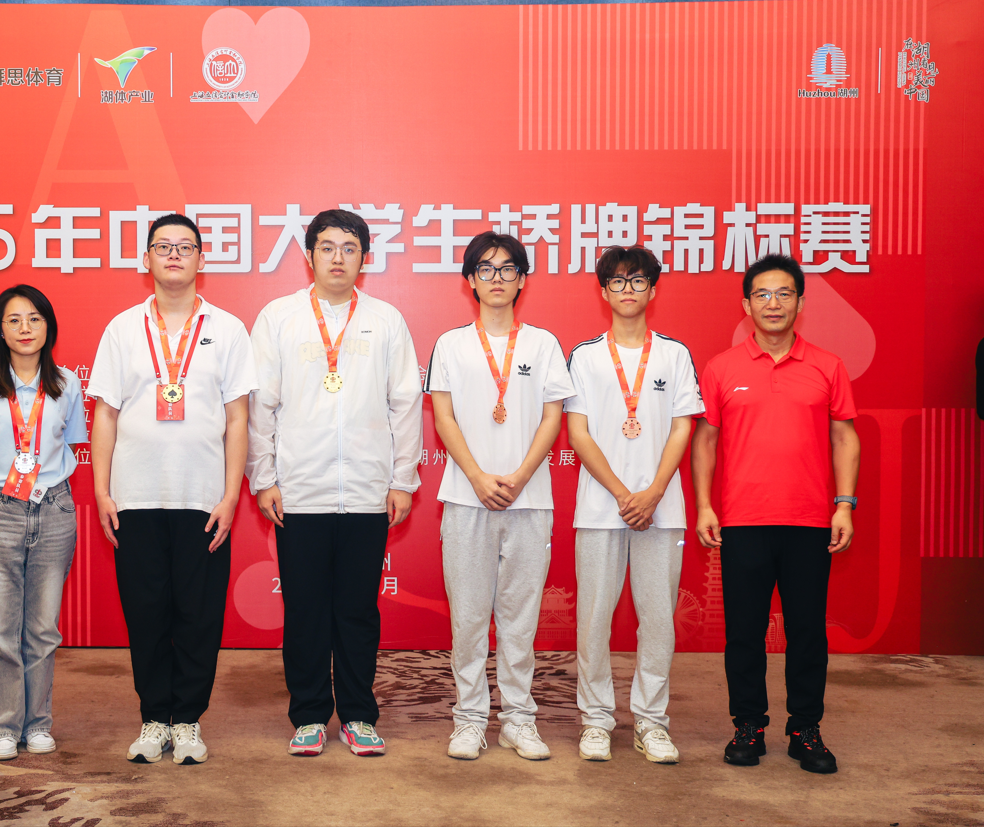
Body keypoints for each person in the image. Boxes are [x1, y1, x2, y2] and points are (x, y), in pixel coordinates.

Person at [247, 208, 423, 758]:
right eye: (327, 247)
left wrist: (402, 479)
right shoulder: (279, 317)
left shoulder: (386, 319)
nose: (338, 258)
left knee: (357, 611)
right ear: (309, 255)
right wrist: (264, 476)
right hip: (299, 492)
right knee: (303, 611)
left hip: (368, 493)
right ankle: (307, 716)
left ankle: (358, 714)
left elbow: (405, 403)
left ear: (364, 258)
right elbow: (261, 405)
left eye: (350, 248)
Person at [87, 213, 257, 765]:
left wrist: (230, 496)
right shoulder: (122, 329)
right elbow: (106, 414)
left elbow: (238, 418)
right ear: (147, 260)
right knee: (146, 612)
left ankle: (187, 720)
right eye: (164, 246)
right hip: (134, 497)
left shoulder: (227, 329)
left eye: (186, 246)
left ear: (202, 259)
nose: (175, 255)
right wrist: (103, 491)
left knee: (199, 614)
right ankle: (153, 718)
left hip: (202, 498)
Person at [691, 254, 860, 774]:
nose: (773, 303)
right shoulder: (721, 368)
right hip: (743, 521)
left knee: (807, 632)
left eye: (784, 293)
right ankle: (749, 725)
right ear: (746, 305)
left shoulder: (828, 366)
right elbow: (706, 441)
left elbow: (844, 437)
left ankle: (805, 729)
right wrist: (704, 504)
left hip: (809, 521)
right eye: (762, 294)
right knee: (744, 632)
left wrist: (845, 504)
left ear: (800, 303)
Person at [426, 232, 575, 761]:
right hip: (466, 498)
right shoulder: (450, 344)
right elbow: (443, 417)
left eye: (508, 269)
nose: (497, 278)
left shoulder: (543, 345)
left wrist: (520, 475)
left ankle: (518, 719)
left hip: (529, 501)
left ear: (522, 280)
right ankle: (469, 720)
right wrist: (476, 477)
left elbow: (553, 417)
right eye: (486, 269)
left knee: (520, 617)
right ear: (470, 279)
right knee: (468, 617)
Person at [564, 245, 704, 764]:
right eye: (618, 282)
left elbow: (682, 427)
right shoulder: (585, 356)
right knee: (593, 619)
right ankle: (596, 720)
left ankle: (652, 721)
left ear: (652, 289)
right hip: (601, 509)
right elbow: (577, 433)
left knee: (658, 619)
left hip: (661, 510)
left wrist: (653, 492)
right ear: (603, 292)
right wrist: (624, 495)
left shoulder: (674, 355)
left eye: (637, 280)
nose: (628, 290)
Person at [0, 285, 88, 761]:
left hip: (54, 511)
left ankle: (37, 724)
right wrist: (6, 488)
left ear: (48, 326)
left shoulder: (67, 384)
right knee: (0, 629)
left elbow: (71, 444)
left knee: (42, 628)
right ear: (0, 331)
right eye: (13, 320)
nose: (25, 328)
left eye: (34, 318)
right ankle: (3, 726)